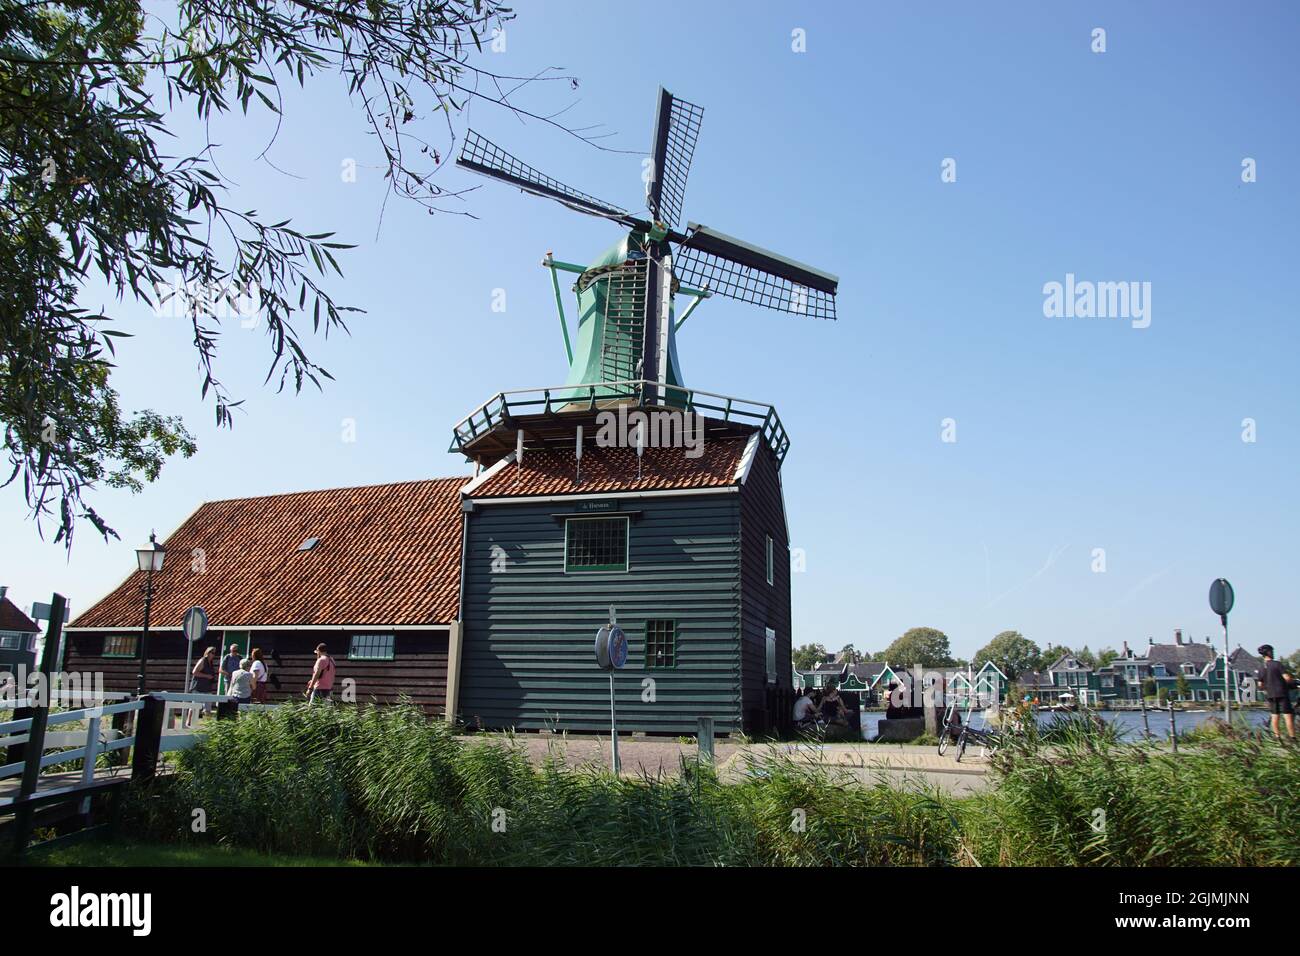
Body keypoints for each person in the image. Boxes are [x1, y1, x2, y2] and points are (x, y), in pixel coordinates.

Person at [1255, 645, 1295, 742]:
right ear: (1268, 652)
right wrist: (1292, 682)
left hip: (1271, 695)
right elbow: (1287, 678)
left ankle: (1277, 737)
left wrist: (1268, 686)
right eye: (1272, 651)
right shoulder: (1277, 664)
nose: (1273, 653)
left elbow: (1260, 684)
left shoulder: (1261, 668)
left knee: (1274, 715)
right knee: (1287, 715)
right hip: (1282, 693)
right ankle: (1292, 737)